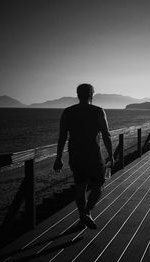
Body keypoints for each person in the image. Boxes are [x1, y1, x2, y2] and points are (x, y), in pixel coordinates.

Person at [53, 83, 114, 229]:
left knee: (80, 186)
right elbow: (106, 135)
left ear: (78, 95)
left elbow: (62, 137)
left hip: (75, 155)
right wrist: (111, 155)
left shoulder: (68, 112)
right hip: (93, 155)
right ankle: (86, 213)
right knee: (98, 185)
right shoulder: (98, 111)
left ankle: (83, 217)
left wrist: (58, 157)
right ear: (92, 95)